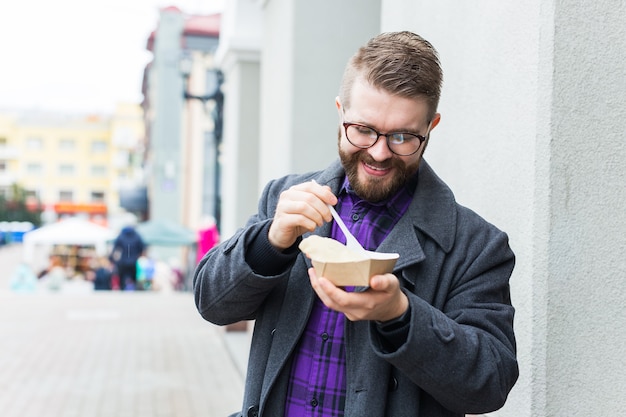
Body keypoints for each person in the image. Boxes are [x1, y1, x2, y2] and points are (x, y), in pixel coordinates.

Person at [193, 31, 518, 417]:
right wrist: (270, 241)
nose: (379, 153)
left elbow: (490, 384)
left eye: (402, 136)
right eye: (363, 129)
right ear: (340, 111)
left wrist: (400, 314)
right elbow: (211, 303)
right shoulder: (285, 197)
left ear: (431, 127)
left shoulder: (476, 245)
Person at [109, 226, 145, 291]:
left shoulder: (121, 236)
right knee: (134, 277)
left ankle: (123, 288)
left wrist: (111, 259)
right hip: (134, 261)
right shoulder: (137, 236)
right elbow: (142, 247)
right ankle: (135, 289)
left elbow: (115, 248)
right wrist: (138, 254)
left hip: (123, 261)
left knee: (122, 276)